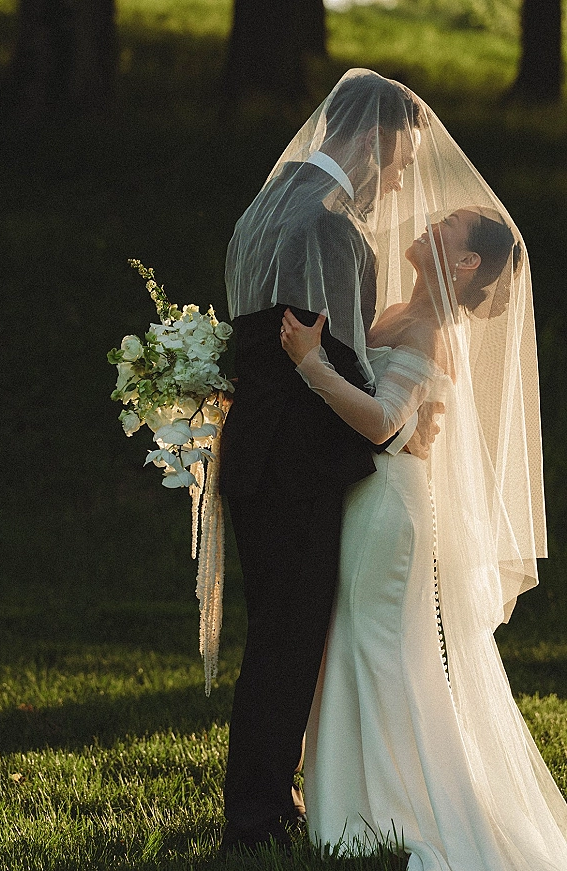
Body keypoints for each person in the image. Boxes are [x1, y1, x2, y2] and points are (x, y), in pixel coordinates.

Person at [281, 187, 567, 867]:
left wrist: (310, 364)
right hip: (367, 495)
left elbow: (384, 423)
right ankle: (355, 801)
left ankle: (397, 806)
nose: (430, 224)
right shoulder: (396, 312)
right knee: (356, 639)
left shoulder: (430, 331)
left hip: (390, 509)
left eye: (448, 226)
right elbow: (398, 421)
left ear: (466, 262)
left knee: (380, 645)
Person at [218, 71, 428, 854]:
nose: (401, 176)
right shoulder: (332, 224)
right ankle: (258, 816)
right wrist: (404, 418)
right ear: (375, 137)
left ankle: (264, 796)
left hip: (255, 451)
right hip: (298, 460)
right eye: (403, 158)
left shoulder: (266, 206)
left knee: (274, 631)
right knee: (292, 637)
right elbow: (347, 359)